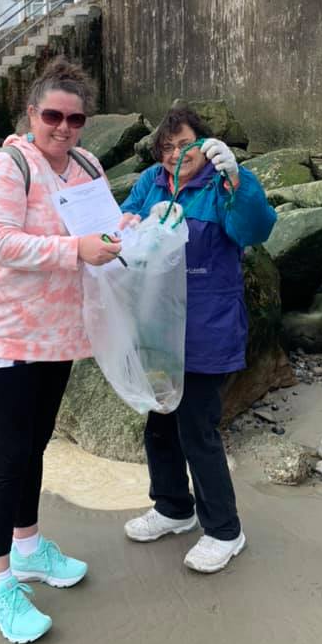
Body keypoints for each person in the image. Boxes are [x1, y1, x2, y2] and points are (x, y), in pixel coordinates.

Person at [0, 56, 121, 644]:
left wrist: (130, 233)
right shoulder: (4, 166)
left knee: (36, 444)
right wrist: (78, 249)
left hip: (57, 334)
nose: (64, 128)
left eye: (76, 119)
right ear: (31, 113)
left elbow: (103, 226)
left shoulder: (88, 164)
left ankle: (28, 548)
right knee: (6, 458)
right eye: (53, 116)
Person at [119, 106, 276, 574]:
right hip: (156, 329)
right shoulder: (150, 180)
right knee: (159, 422)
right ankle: (173, 508)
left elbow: (255, 229)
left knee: (197, 430)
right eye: (165, 147)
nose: (173, 155)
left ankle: (225, 531)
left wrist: (239, 180)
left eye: (182, 144)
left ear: (205, 144)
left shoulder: (223, 182)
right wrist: (139, 222)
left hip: (208, 329)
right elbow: (124, 222)